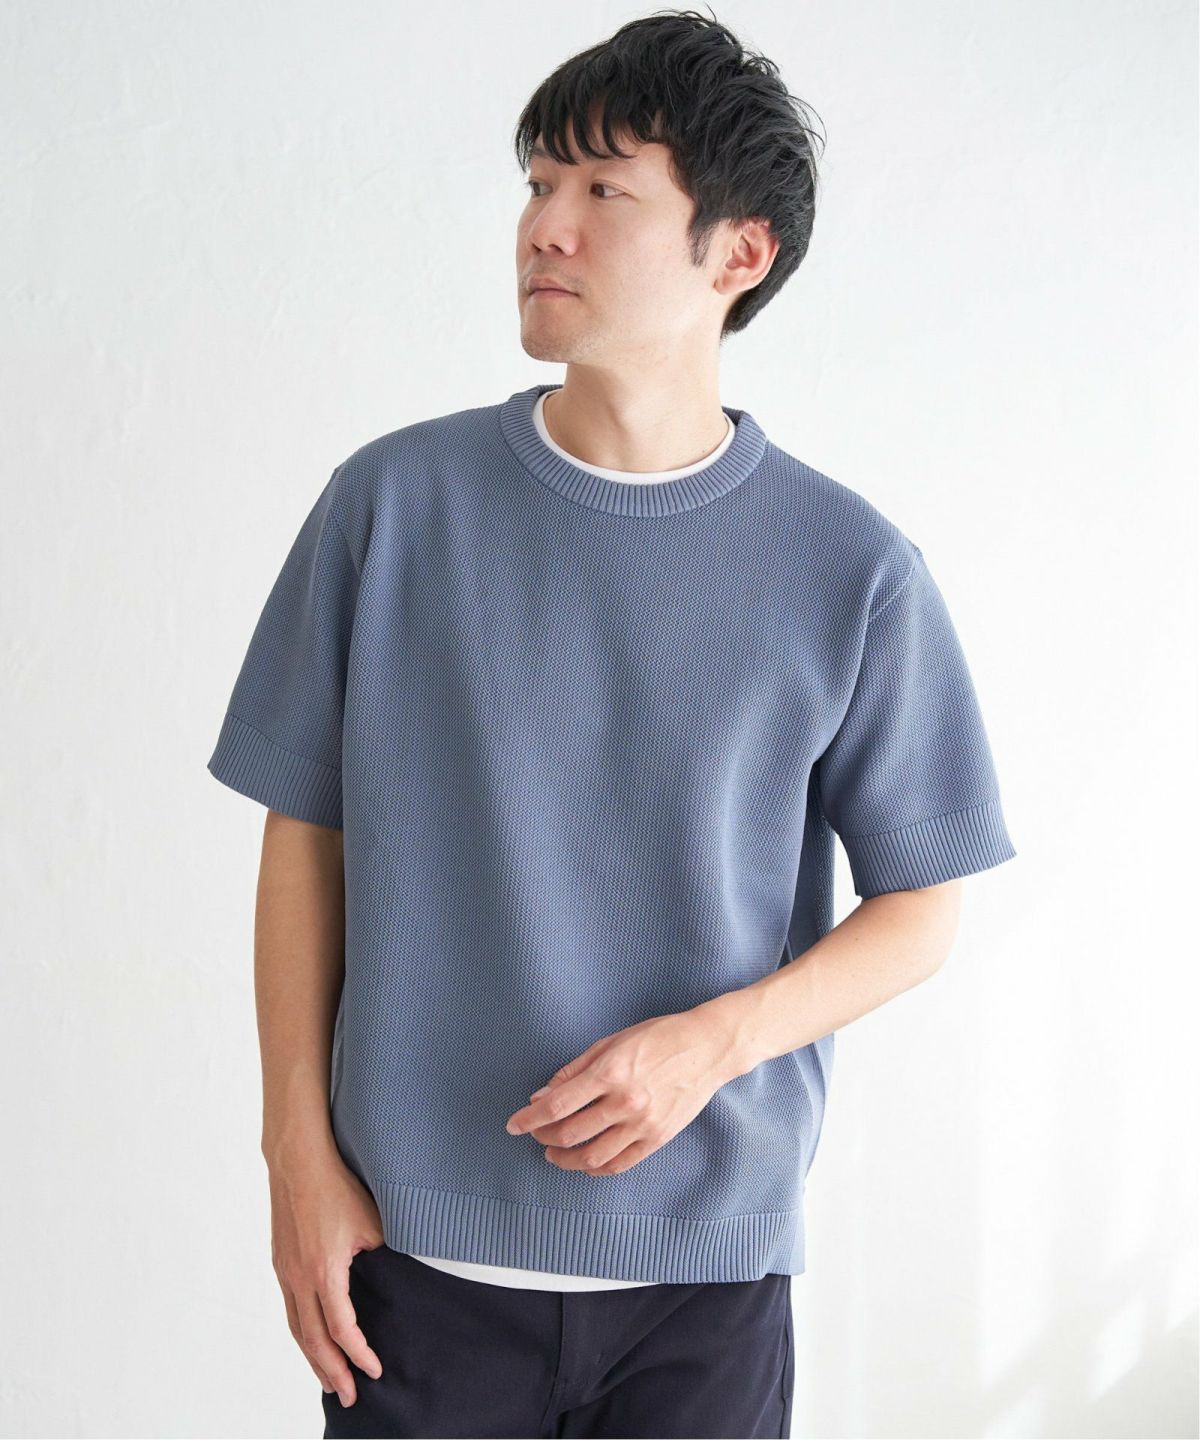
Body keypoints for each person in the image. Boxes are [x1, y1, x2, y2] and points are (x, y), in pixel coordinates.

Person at [206, 11, 1017, 1438]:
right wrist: (294, 1157)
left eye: (602, 188)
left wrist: (710, 1046)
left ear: (738, 252)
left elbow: (921, 908)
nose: (546, 226)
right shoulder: (393, 508)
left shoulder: (851, 570)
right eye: (536, 184)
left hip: (704, 1290)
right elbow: (302, 839)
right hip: (413, 1267)